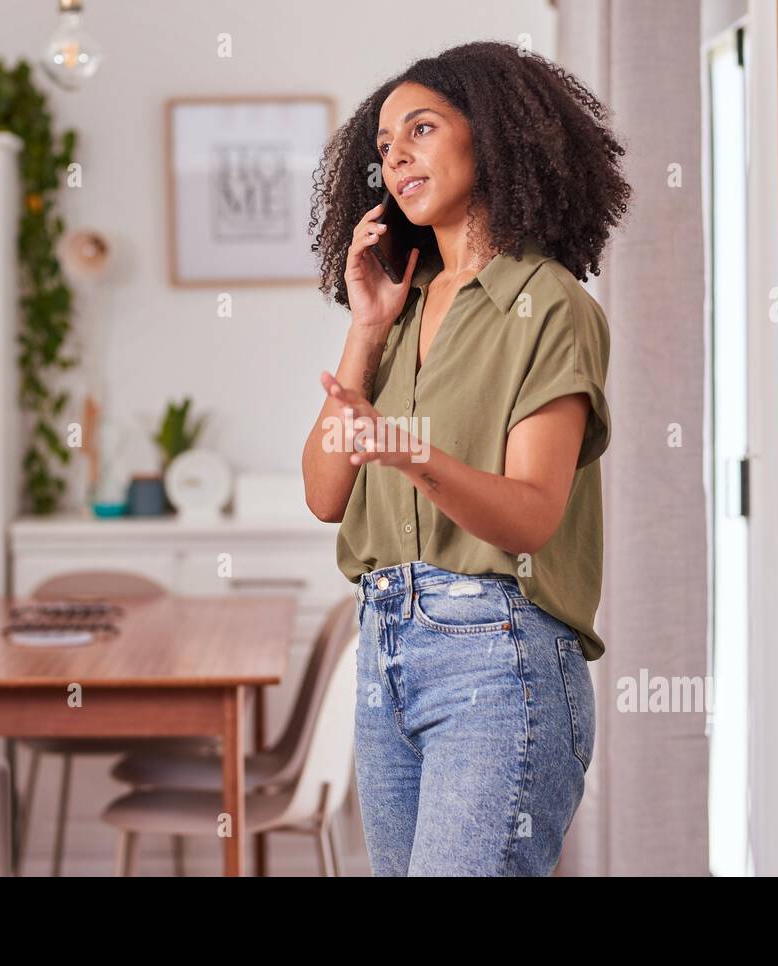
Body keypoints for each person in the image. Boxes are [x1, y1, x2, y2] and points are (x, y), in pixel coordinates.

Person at [301, 40, 629, 876]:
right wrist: (366, 327)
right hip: (384, 650)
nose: (397, 156)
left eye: (421, 128)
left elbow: (530, 514)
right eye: (383, 146)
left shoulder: (551, 303)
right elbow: (324, 492)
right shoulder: (399, 307)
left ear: (492, 135)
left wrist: (407, 451)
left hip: (498, 654)